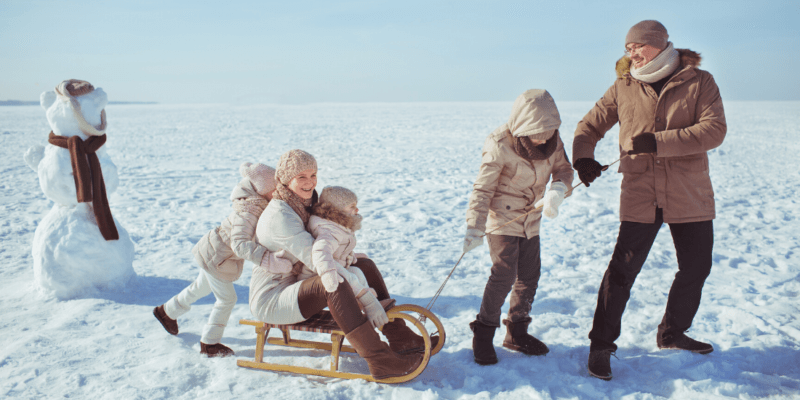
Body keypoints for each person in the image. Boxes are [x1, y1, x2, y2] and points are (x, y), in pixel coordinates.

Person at [572, 20, 726, 381]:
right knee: (622, 271)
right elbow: (589, 126)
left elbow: (714, 129)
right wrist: (583, 158)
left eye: (638, 46)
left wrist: (659, 141)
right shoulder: (624, 86)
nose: (632, 53)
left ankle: (673, 332)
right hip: (641, 192)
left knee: (696, 266)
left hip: (689, 192)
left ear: (660, 44)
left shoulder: (699, 81)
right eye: (628, 48)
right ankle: (601, 346)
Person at [249, 149, 427, 379]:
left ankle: (400, 336)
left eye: (313, 175)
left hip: (298, 285)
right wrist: (366, 298)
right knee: (333, 281)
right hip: (273, 299)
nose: (310, 182)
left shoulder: (301, 203)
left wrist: (349, 253)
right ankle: (380, 360)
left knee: (365, 264)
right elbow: (320, 262)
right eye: (301, 176)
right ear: (285, 179)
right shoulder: (281, 217)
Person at [463, 89, 574, 365]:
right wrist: (474, 227)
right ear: (522, 127)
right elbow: (483, 188)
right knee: (503, 274)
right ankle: (483, 333)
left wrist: (559, 188)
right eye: (537, 132)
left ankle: (517, 331)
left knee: (529, 274)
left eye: (548, 131)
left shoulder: (553, 141)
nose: (544, 138)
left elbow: (564, 169)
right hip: (502, 218)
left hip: (532, 218)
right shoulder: (499, 143)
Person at [153, 162, 282, 357]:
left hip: (214, 253)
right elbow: (240, 243)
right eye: (274, 190)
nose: (277, 194)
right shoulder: (248, 212)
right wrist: (265, 257)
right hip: (217, 258)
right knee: (228, 299)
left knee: (199, 288)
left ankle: (166, 312)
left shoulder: (256, 205)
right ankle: (209, 344)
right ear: (263, 190)